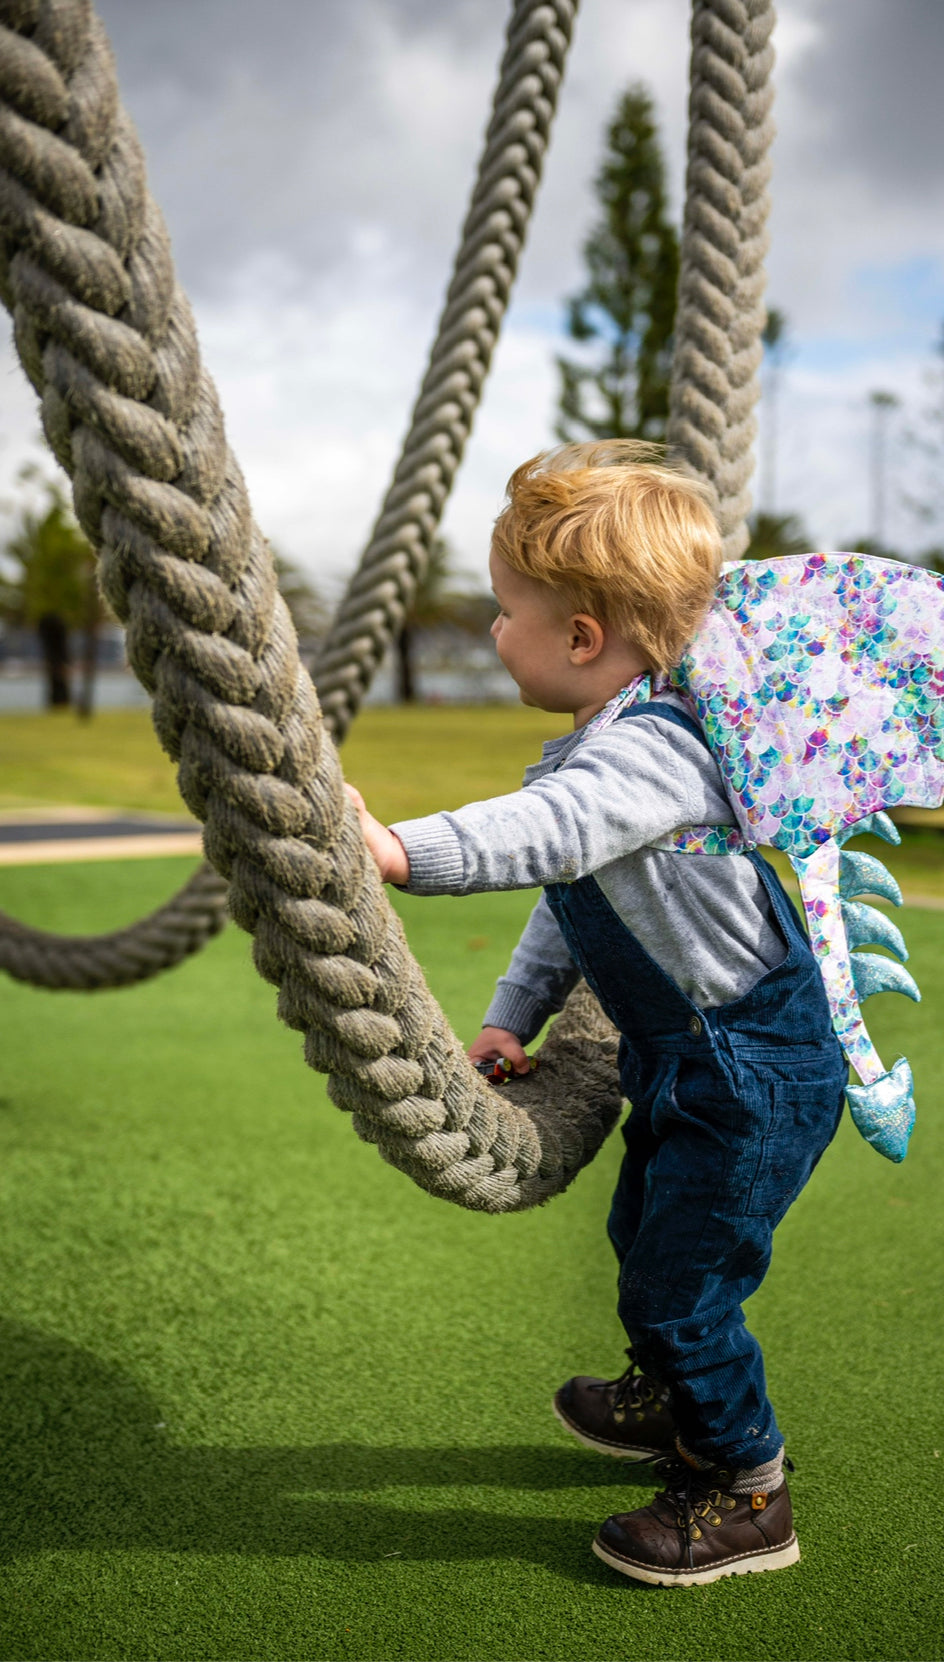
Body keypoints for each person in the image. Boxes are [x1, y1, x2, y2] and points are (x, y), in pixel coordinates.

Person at [346, 441, 848, 1588]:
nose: (491, 632)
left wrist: (401, 852)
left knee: (680, 1288)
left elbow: (553, 836)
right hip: (689, 1064)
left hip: (750, 1070)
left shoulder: (649, 755)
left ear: (581, 639)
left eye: (503, 611)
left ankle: (745, 1488)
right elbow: (570, 905)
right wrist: (510, 1015)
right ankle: (671, 1395)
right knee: (643, 1240)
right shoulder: (603, 750)